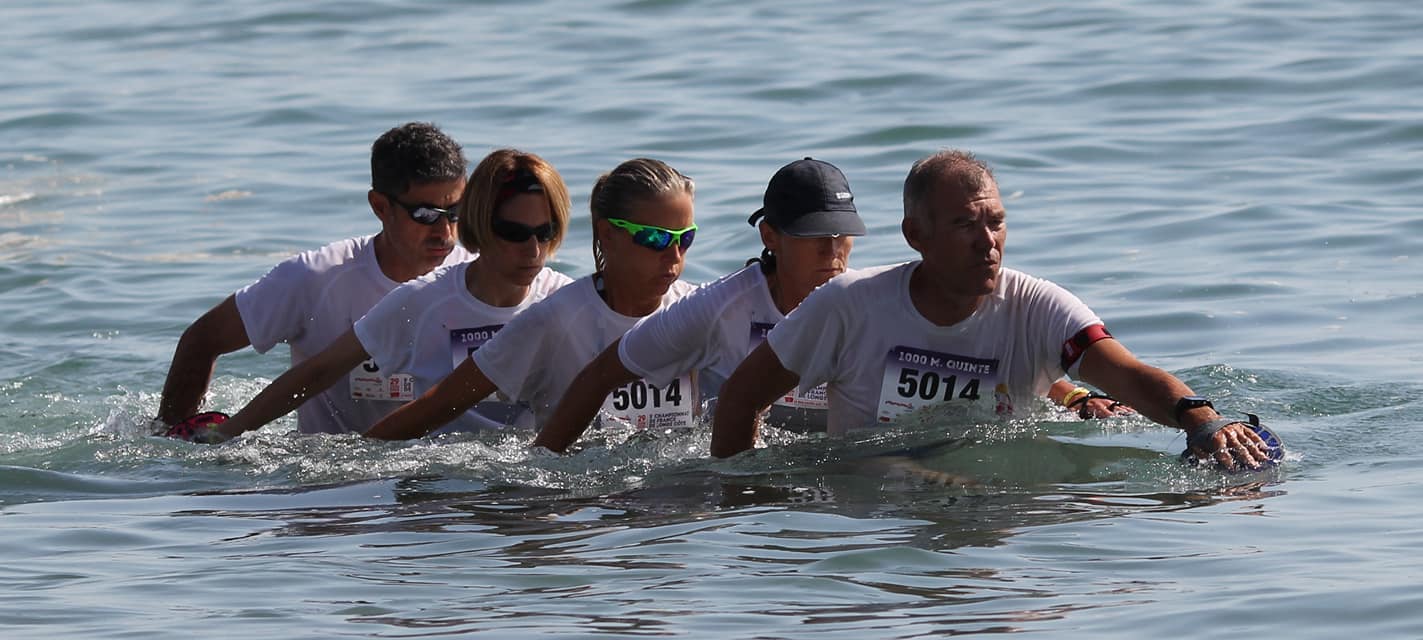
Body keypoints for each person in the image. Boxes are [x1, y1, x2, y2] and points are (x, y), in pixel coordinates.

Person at [710, 149, 1271, 470]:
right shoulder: (847, 305)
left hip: (998, 506)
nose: (988, 242)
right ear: (915, 234)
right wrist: (748, 500)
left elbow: (1124, 372)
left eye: (996, 221)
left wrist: (1202, 419)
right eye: (964, 224)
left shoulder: (1039, 306)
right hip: (871, 516)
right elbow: (739, 397)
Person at [175, 149, 574, 443]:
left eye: (546, 232)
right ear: (482, 226)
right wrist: (228, 433)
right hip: (426, 481)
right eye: (516, 233)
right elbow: (318, 371)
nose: (534, 250)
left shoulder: (565, 301)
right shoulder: (420, 301)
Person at [156, 122, 472, 435]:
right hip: (330, 475)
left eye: (455, 212)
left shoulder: (481, 282)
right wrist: (174, 444)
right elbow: (202, 340)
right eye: (426, 215)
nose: (444, 233)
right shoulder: (315, 278)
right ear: (379, 206)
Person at [364, 158, 700, 440]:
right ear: (607, 235)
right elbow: (435, 406)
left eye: (685, 239)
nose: (673, 256)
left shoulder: (700, 310)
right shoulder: (551, 319)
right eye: (654, 239)